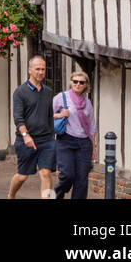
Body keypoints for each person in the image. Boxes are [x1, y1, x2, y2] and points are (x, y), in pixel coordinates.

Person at [10, 55, 57, 198]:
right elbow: (18, 118)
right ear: (30, 70)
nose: (41, 72)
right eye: (37, 69)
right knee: (23, 176)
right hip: (26, 140)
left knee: (46, 173)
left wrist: (52, 137)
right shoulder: (20, 92)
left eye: (43, 69)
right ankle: (11, 195)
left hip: (46, 140)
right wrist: (25, 136)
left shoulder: (48, 92)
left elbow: (50, 116)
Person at [53, 70, 97, 199]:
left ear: (85, 85)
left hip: (84, 143)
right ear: (71, 83)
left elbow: (92, 126)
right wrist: (61, 115)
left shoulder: (87, 103)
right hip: (66, 140)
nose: (78, 84)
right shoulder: (61, 97)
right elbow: (47, 115)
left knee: (82, 179)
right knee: (67, 175)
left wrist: (93, 146)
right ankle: (57, 195)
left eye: (81, 82)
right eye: (75, 81)